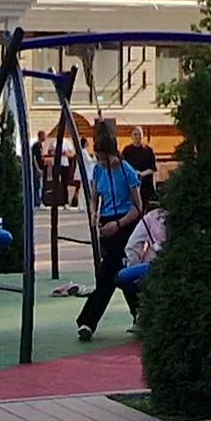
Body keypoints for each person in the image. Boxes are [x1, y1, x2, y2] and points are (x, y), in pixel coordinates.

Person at [72, 118, 145, 343]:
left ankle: (87, 321)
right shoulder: (98, 171)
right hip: (105, 222)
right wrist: (94, 213)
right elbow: (94, 196)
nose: (101, 163)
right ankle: (140, 313)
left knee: (108, 274)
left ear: (112, 155)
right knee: (118, 273)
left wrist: (119, 224)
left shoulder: (126, 171)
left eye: (104, 159)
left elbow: (138, 207)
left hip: (124, 223)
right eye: (98, 159)